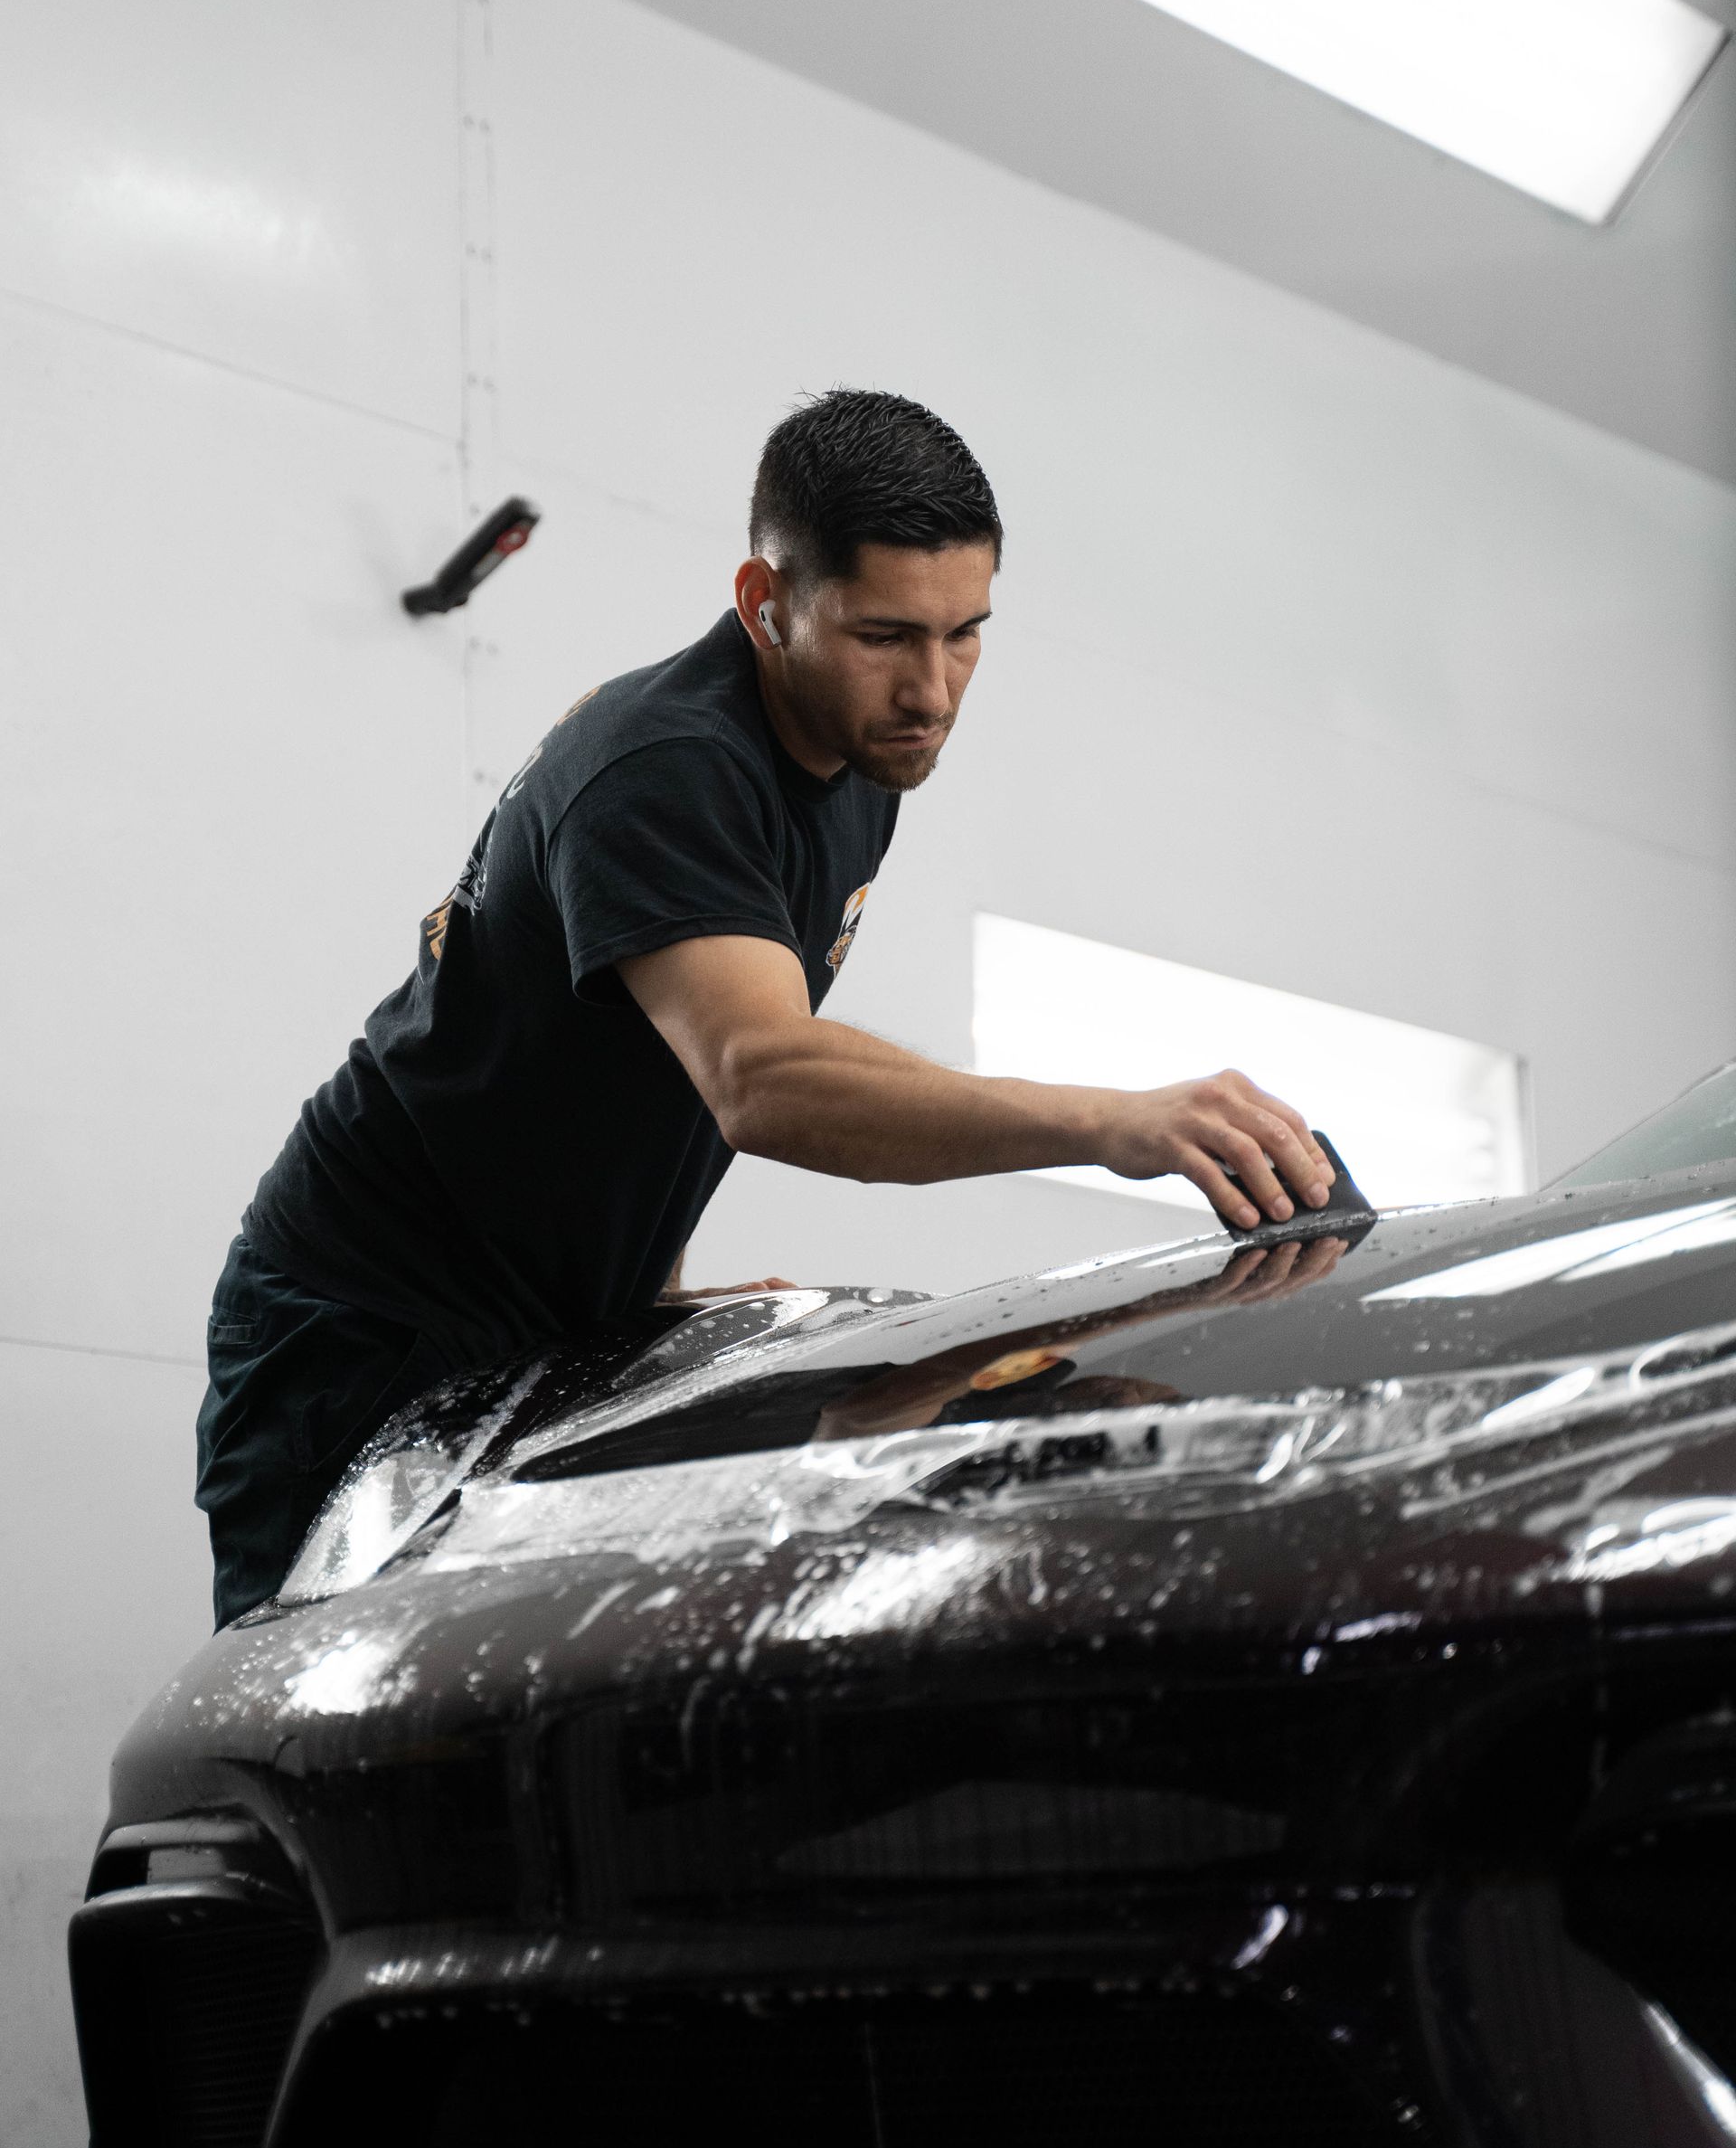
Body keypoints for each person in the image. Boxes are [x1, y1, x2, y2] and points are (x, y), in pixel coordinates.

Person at [195, 388, 1333, 1623]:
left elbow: (637, 1057)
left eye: (966, 634)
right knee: (313, 1716)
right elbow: (762, 1075)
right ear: (765, 602)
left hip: (563, 1325)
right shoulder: (667, 769)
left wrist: (655, 1282)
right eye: (887, 635)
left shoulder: (863, 762)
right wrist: (1115, 1122)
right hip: (369, 1320)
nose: (934, 690)